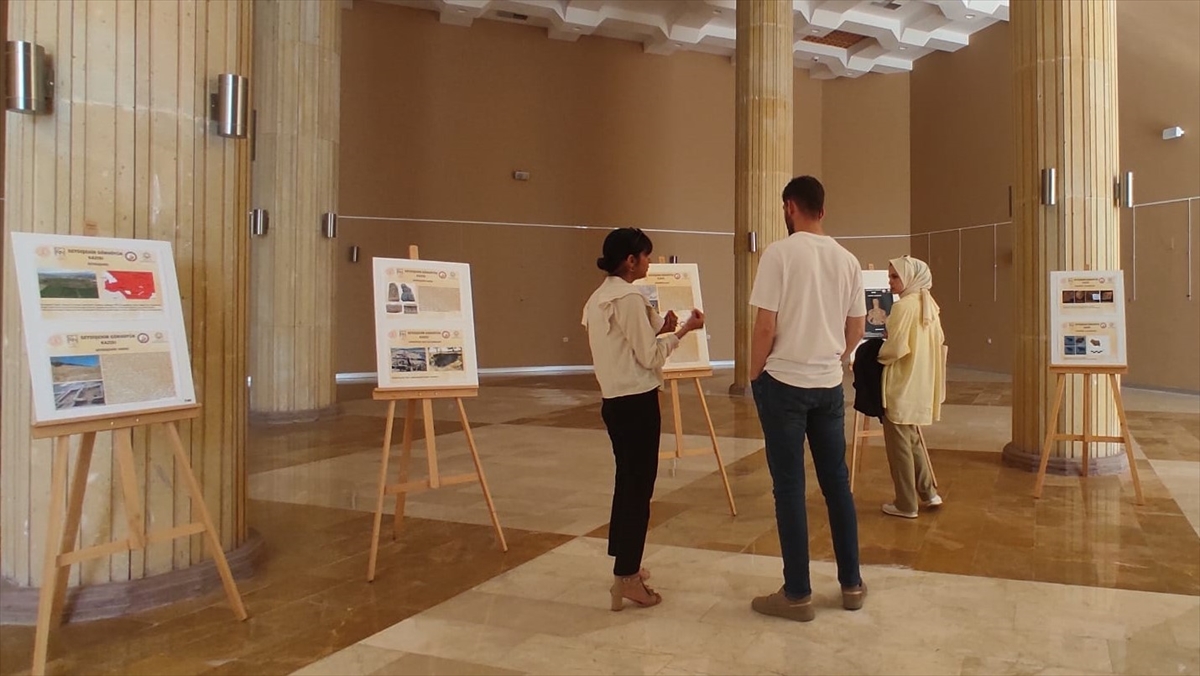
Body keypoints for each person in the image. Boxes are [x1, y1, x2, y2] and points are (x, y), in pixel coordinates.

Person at [748, 176, 867, 622]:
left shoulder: (779, 254)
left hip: (784, 383)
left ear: (789, 207)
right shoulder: (847, 260)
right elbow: (857, 327)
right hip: (827, 385)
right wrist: (837, 356)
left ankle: (797, 593)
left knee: (789, 488)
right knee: (836, 483)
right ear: (823, 209)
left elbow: (766, 325)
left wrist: (754, 373)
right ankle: (851, 584)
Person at [581, 227, 705, 611]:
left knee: (627, 482)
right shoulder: (629, 298)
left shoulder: (598, 298)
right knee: (638, 489)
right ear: (630, 260)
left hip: (614, 401)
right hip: (637, 402)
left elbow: (620, 344)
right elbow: (649, 357)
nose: (649, 262)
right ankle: (628, 576)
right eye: (646, 255)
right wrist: (683, 331)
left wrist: (660, 328)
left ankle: (626, 563)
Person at [877, 256, 946, 518]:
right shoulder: (929, 304)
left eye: (895, 276)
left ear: (911, 277)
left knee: (899, 446)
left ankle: (906, 503)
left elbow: (896, 348)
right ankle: (928, 492)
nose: (890, 282)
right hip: (921, 380)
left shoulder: (903, 307)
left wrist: (876, 355)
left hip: (902, 382)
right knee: (912, 438)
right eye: (890, 276)